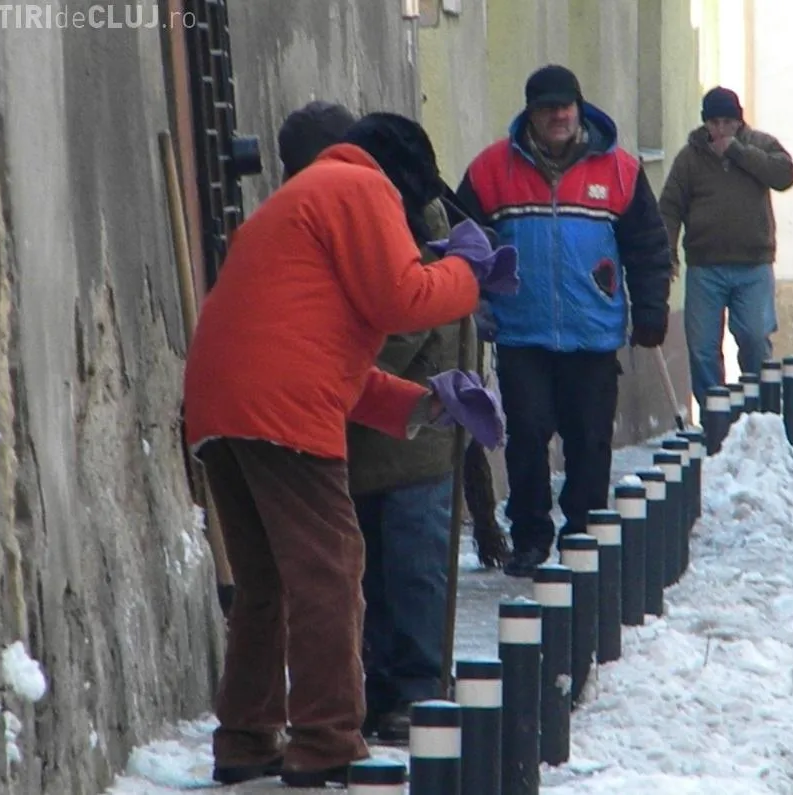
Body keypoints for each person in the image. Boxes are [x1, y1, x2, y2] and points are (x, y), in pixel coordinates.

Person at [184, 110, 511, 787]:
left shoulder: (299, 200)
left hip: (220, 404)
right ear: (402, 180)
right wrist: (466, 273)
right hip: (279, 408)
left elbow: (321, 354)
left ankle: (246, 736)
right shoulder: (359, 186)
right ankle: (326, 739)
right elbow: (401, 299)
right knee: (331, 571)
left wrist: (424, 404)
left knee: (266, 583)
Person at [457, 64, 672, 578]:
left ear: (579, 108)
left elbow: (648, 247)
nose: (559, 115)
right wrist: (475, 300)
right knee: (527, 436)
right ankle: (530, 537)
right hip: (521, 331)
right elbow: (463, 240)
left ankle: (583, 533)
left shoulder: (619, 171)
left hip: (592, 333)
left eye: (566, 106)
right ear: (530, 114)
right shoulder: (492, 170)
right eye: (548, 108)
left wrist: (651, 310)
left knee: (589, 439)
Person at [339, 113, 475, 745]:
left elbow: (412, 321)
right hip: (366, 425)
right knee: (373, 571)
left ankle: (419, 691)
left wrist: (335, 377)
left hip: (414, 427)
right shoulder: (372, 215)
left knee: (414, 567)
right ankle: (381, 689)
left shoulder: (422, 228)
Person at [658, 86, 793, 411]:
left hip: (754, 264)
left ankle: (759, 412)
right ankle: (714, 417)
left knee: (754, 337)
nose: (721, 130)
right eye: (714, 123)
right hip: (705, 266)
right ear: (705, 123)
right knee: (702, 348)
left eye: (728, 122)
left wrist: (738, 152)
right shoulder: (690, 158)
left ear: (739, 121)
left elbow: (785, 175)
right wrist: (667, 254)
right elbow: (670, 207)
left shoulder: (760, 144)